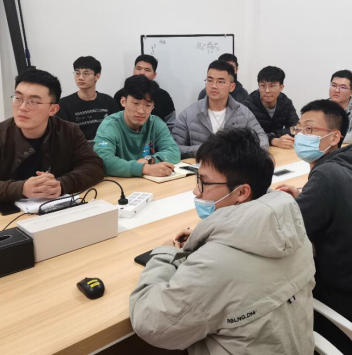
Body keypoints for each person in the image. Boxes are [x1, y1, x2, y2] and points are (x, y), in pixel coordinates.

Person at [129, 128, 315, 354]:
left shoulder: (215, 265)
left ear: (242, 192)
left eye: (204, 182)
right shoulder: (291, 224)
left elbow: (150, 323)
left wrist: (164, 255)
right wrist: (211, 237)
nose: (196, 191)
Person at [276, 100, 352, 354]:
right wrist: (304, 196)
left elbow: (284, 234)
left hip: (349, 302)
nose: (301, 136)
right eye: (299, 129)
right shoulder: (349, 164)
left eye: (310, 129)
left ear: (334, 137)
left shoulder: (327, 175)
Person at [0, 69, 104, 206]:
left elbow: (94, 166)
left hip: (56, 210)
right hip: (6, 216)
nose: (22, 107)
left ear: (52, 109)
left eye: (33, 102)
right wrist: (22, 188)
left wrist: (61, 184)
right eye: (18, 98)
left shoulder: (68, 131)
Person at [172, 61, 268, 158]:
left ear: (232, 87)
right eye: (210, 80)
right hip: (202, 164)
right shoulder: (188, 114)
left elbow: (262, 139)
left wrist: (241, 153)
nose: (214, 86)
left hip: (235, 164)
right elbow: (174, 148)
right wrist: (204, 150)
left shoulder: (243, 112)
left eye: (221, 82)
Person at [94, 75, 181, 178]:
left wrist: (149, 160)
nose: (141, 111)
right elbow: (104, 161)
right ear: (123, 102)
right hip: (119, 182)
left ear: (153, 106)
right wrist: (143, 168)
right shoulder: (109, 126)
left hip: (148, 182)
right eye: (135, 103)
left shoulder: (155, 123)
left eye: (147, 105)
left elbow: (174, 152)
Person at [56, 56, 119, 140]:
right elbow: (63, 136)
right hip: (77, 147)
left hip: (105, 146)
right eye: (77, 73)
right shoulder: (64, 105)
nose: (80, 78)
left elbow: (116, 130)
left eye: (86, 74)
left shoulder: (109, 102)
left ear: (97, 76)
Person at [113, 54, 176, 128]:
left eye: (147, 70)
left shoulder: (163, 96)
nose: (142, 73)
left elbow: (171, 124)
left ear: (154, 75)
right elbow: (115, 121)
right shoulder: (120, 94)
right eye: (138, 69)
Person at [243, 66, 298, 149]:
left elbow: (296, 128)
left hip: (279, 149)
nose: (267, 90)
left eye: (272, 86)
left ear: (281, 87)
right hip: (256, 150)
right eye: (262, 86)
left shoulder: (285, 102)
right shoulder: (248, 105)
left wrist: (273, 135)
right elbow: (247, 134)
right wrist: (273, 140)